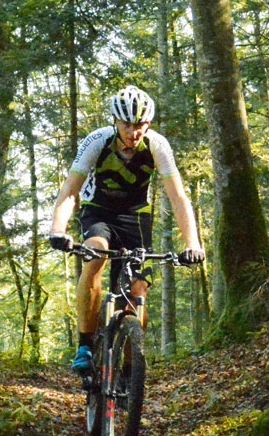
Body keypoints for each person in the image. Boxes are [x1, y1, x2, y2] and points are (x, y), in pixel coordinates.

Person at [47, 86, 205, 372]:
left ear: (149, 123)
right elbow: (70, 190)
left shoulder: (157, 145)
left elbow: (178, 197)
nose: (134, 131)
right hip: (99, 211)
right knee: (95, 253)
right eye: (127, 124)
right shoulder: (97, 141)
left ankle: (131, 375)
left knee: (137, 289)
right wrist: (58, 229)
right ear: (115, 122)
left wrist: (193, 243)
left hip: (135, 217)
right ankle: (84, 344)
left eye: (141, 124)